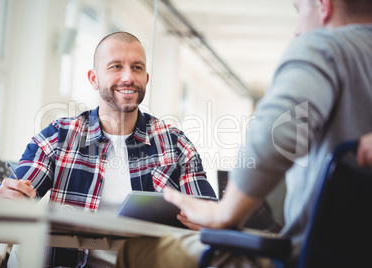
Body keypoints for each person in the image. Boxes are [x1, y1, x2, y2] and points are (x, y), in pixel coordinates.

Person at [114, 0, 372, 267]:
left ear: (323, 6)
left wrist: (225, 213)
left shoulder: (324, 47)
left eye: (299, 12)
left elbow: (278, 137)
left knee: (139, 251)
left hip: (304, 259)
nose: (296, 30)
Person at [0, 31, 216, 267]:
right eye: (116, 66)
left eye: (137, 68)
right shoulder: (58, 137)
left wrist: (209, 219)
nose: (128, 77)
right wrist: (3, 197)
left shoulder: (176, 144)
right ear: (94, 78)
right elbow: (14, 195)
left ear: (146, 78)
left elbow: (208, 209)